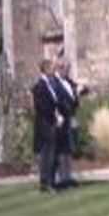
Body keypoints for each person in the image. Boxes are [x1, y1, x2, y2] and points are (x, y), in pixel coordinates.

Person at [31, 59, 62, 194]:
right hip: (45, 124)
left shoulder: (50, 84)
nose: (53, 70)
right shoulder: (40, 86)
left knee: (48, 153)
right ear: (45, 69)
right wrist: (55, 116)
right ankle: (47, 183)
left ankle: (46, 181)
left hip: (50, 123)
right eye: (51, 68)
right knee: (48, 154)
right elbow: (42, 107)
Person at [52, 59, 82, 188]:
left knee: (68, 149)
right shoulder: (54, 82)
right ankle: (61, 178)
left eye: (68, 68)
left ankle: (68, 177)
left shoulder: (69, 82)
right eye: (65, 68)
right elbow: (55, 101)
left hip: (70, 118)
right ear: (59, 68)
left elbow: (74, 96)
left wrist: (80, 91)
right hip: (60, 120)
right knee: (60, 150)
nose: (67, 71)